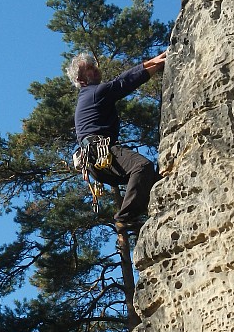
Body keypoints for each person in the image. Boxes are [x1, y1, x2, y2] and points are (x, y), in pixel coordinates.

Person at [67, 50, 167, 232]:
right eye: (89, 69)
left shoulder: (89, 96)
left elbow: (121, 82)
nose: (95, 70)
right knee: (142, 166)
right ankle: (124, 218)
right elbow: (123, 82)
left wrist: (151, 65)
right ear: (81, 80)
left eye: (94, 66)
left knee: (152, 180)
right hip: (100, 152)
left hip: (96, 164)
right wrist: (153, 62)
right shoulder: (94, 93)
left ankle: (150, 213)